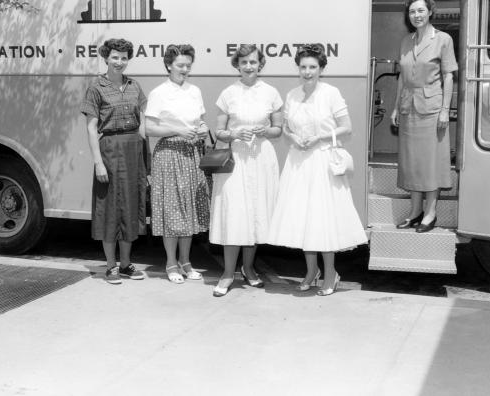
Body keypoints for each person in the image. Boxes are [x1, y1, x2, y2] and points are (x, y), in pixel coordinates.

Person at [266, 44, 367, 296]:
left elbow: (347, 127)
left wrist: (321, 136)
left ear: (321, 69)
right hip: (298, 162)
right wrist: (293, 138)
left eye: (313, 67)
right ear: (298, 68)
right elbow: (287, 129)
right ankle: (311, 272)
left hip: (322, 162)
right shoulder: (291, 95)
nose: (307, 72)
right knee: (303, 218)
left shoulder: (331, 93)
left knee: (322, 219)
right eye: (303, 67)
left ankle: (331, 273)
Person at [209, 45, 283, 297]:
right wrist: (233, 133)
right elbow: (218, 131)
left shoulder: (271, 92)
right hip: (236, 159)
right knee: (234, 214)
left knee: (256, 215)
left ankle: (249, 269)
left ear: (260, 64)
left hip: (261, 158)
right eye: (244, 63)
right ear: (237, 65)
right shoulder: (228, 93)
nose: (249, 66)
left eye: (253, 62)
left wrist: (265, 131)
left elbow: (278, 129)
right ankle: (228, 273)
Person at [80, 38, 147, 284]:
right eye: (115, 57)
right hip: (109, 149)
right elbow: (90, 127)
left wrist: (145, 162)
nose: (120, 62)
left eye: (124, 58)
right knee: (109, 209)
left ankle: (127, 263)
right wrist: (98, 162)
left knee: (130, 207)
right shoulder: (96, 87)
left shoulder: (134, 86)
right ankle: (111, 266)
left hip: (133, 151)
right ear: (106, 58)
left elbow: (143, 123)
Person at [390, 0, 457, 233]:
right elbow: (402, 78)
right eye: (412, 12)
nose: (416, 15)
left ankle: (431, 213)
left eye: (420, 10)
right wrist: (397, 106)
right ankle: (415, 211)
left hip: (432, 109)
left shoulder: (443, 39)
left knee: (431, 162)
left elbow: (449, 75)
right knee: (412, 162)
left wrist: (444, 110)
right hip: (409, 107)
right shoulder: (406, 42)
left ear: (430, 12)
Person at [145, 44, 210, 283]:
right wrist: (177, 129)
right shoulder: (159, 93)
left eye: (188, 66)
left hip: (191, 154)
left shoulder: (194, 91)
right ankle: (171, 263)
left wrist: (202, 129)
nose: (185, 69)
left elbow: (201, 121)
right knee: (172, 210)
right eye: (180, 65)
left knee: (189, 209)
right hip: (169, 155)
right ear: (169, 65)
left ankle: (186, 261)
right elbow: (149, 128)